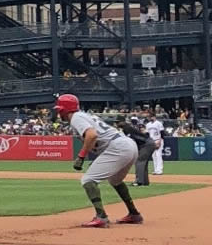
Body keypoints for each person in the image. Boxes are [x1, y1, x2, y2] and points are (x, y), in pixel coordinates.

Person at [55, 94, 142, 227]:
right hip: (127, 145)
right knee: (115, 180)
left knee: (88, 180)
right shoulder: (84, 115)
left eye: (59, 109)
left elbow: (92, 135)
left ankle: (101, 217)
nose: (58, 112)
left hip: (118, 147)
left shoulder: (76, 117)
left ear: (64, 110)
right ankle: (134, 214)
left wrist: (81, 157)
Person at [142, 113, 165, 182]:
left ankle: (160, 170)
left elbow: (162, 133)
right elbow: (147, 134)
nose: (150, 118)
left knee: (158, 155)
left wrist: (160, 141)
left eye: (151, 117)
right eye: (149, 117)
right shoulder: (148, 125)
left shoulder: (159, 123)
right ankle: (156, 170)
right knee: (153, 156)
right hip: (151, 141)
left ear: (154, 117)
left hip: (158, 140)